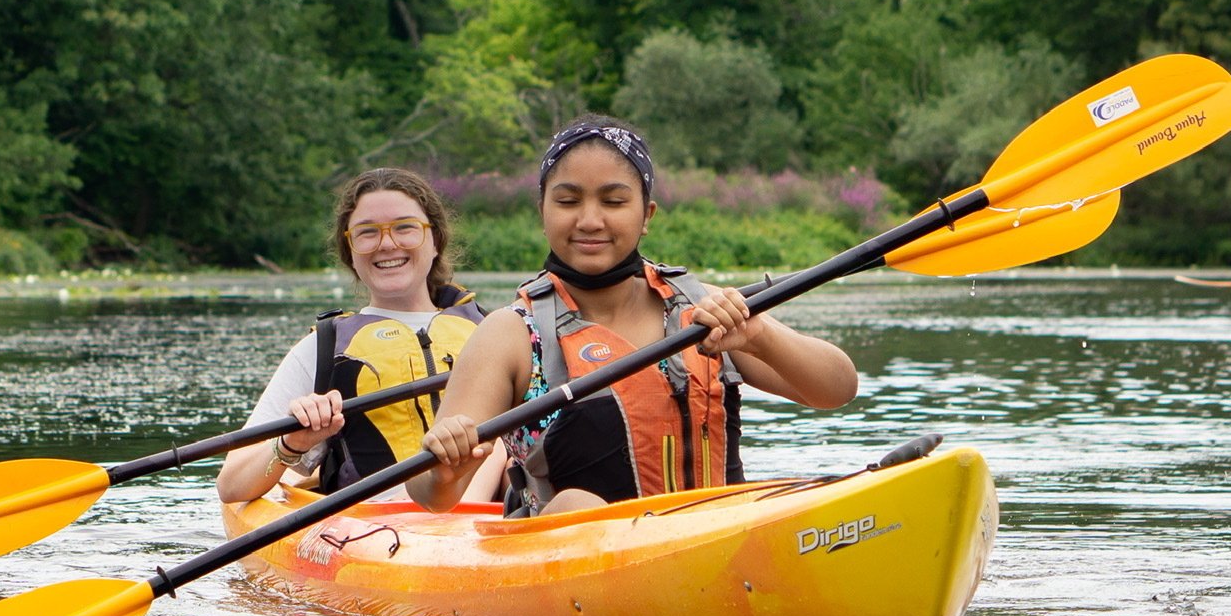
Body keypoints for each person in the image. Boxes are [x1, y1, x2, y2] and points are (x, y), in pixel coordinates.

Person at [409, 117, 858, 516]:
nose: (589, 220)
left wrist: (759, 336)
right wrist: (448, 472)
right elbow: (430, 496)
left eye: (613, 201)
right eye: (567, 202)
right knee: (574, 504)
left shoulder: (705, 309)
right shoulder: (510, 334)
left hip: (715, 543)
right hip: (576, 566)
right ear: (542, 212)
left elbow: (838, 389)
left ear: (646, 215)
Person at [216, 168, 503, 504]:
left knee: (500, 447)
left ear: (435, 239)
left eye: (405, 228)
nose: (387, 244)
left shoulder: (497, 331)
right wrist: (292, 444)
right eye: (367, 233)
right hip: (376, 532)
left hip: (491, 522)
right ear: (349, 250)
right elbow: (231, 487)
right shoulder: (323, 350)